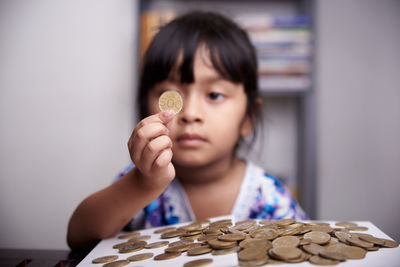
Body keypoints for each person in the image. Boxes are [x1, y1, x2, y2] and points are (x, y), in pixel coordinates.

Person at [67, 10, 307, 251]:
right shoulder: (138, 180)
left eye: (214, 95)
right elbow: (79, 237)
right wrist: (143, 184)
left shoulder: (270, 197)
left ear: (248, 118)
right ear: (146, 110)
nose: (190, 113)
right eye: (170, 96)